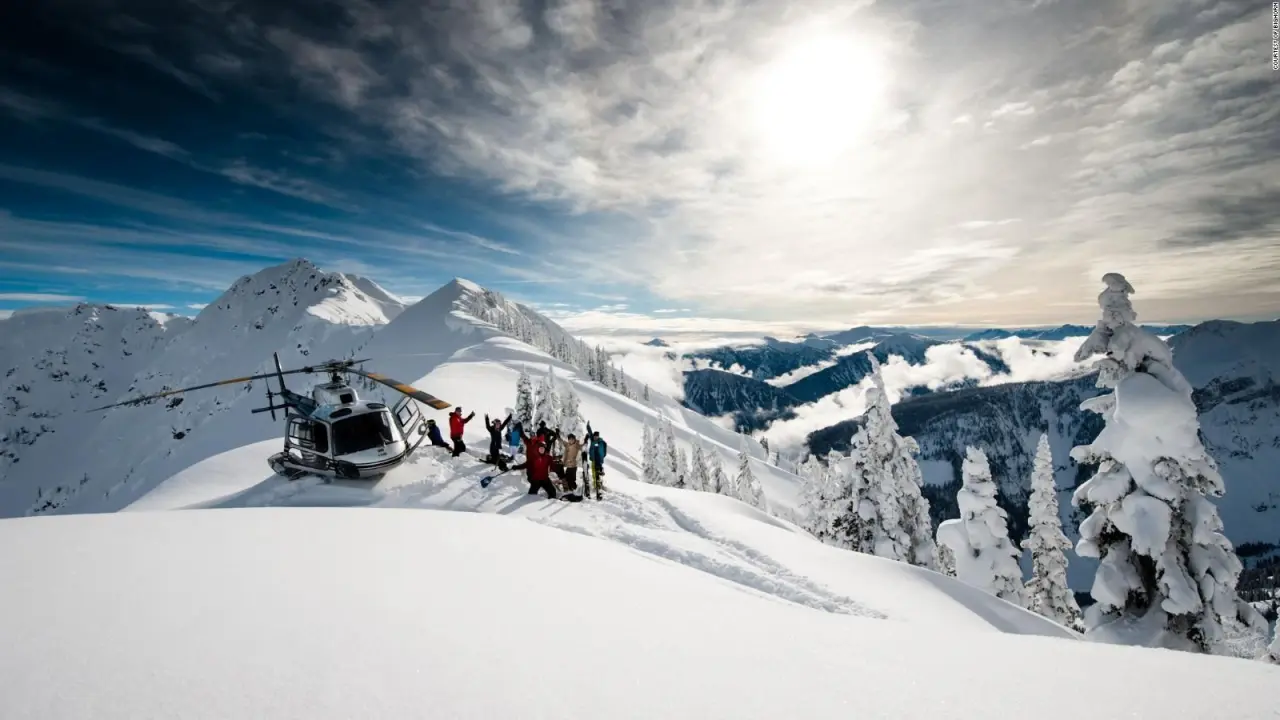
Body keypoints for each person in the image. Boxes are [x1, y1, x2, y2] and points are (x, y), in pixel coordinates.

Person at [512, 433, 557, 499]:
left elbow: (553, 466)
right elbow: (526, 464)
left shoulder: (548, 458)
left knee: (553, 492)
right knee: (531, 495)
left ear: (544, 449)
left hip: (545, 479)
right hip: (536, 480)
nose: (541, 450)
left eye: (543, 448)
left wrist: (558, 469)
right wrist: (516, 467)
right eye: (540, 448)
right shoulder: (534, 458)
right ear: (538, 449)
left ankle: (550, 502)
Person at [586, 422, 607, 499]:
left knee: (597, 473)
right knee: (594, 473)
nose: (595, 437)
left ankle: (599, 486)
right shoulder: (593, 440)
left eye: (596, 436)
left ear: (598, 436)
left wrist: (601, 458)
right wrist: (588, 426)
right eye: (594, 436)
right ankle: (596, 485)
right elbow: (590, 432)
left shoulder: (600, 442)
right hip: (593, 460)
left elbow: (602, 451)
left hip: (598, 460)